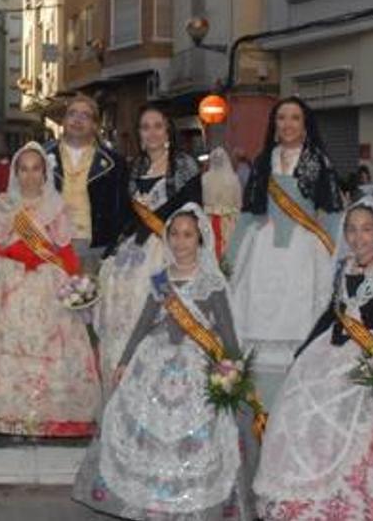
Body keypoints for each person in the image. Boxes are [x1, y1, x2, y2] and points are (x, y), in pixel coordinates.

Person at [254, 197, 373, 519]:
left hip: (371, 358)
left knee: (360, 425)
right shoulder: (344, 268)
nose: (358, 237)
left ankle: (357, 500)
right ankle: (311, 494)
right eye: (351, 229)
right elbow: (332, 314)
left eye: (366, 229)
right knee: (302, 405)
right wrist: (303, 350)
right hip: (333, 350)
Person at [73, 203, 246, 520]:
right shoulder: (160, 279)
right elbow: (143, 322)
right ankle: (150, 495)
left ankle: (192, 495)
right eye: (175, 235)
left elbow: (228, 332)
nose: (180, 242)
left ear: (200, 240)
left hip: (198, 363)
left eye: (187, 235)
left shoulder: (212, 282)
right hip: (155, 357)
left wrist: (234, 371)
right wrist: (125, 360)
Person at [0, 142, 98, 436]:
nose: (30, 175)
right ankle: (3, 412)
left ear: (45, 172)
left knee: (51, 348)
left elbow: (65, 251)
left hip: (48, 282)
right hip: (5, 282)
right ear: (15, 172)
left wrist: (78, 285)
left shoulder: (57, 206)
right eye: (23, 169)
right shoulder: (4, 205)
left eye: (36, 168)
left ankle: (51, 414)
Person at [227, 96, 342, 406]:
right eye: (281, 118)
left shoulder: (318, 161)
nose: (288, 124)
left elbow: (331, 214)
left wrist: (334, 259)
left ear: (305, 126)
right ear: (274, 125)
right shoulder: (264, 160)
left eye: (295, 118)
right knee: (255, 308)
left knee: (301, 313)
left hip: (305, 250)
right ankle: (259, 394)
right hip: (263, 247)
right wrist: (230, 258)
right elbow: (249, 212)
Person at [94, 106, 202, 389]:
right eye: (145, 127)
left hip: (168, 251)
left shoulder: (184, 165)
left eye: (158, 126)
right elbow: (125, 215)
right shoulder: (135, 168)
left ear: (168, 131)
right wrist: (113, 250)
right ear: (139, 134)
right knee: (119, 309)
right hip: (132, 250)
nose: (151, 132)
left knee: (157, 314)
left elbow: (191, 210)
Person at [45, 94, 129, 272]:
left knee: (90, 297)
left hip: (94, 247)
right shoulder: (42, 156)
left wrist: (111, 247)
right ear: (64, 120)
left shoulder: (114, 163)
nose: (77, 120)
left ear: (95, 125)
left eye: (85, 116)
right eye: (72, 114)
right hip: (50, 245)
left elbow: (120, 208)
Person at [202, 146, 243, 263]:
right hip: (229, 220)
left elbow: (202, 200)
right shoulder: (233, 178)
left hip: (209, 219)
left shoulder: (205, 178)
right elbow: (238, 202)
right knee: (228, 249)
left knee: (210, 249)